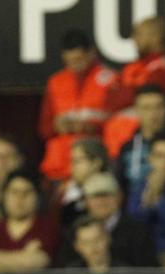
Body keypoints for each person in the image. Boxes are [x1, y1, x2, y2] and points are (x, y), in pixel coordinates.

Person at [37, 30, 122, 181]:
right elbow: (44, 128)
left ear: (91, 53)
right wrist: (57, 126)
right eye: (70, 61)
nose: (75, 65)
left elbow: (121, 123)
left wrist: (90, 127)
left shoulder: (110, 80)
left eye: (79, 59)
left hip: (95, 159)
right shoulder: (56, 82)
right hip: (60, 164)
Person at [0, 170, 59, 274]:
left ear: (37, 197)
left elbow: (38, 262)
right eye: (14, 192)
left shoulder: (48, 228)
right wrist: (23, 256)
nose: (19, 198)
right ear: (4, 196)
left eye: (26, 192)